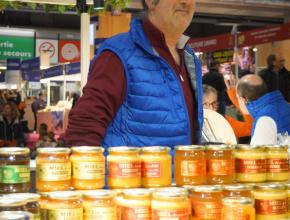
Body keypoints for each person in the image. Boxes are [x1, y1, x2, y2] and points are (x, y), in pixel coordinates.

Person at [65, 0, 203, 149]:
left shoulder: (190, 59)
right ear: (150, 2)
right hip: (127, 171)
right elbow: (84, 127)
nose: (186, 2)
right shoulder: (118, 55)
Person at [236, 74, 290, 145]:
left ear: (243, 100)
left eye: (237, 98)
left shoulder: (265, 118)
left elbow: (257, 154)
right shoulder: (284, 105)